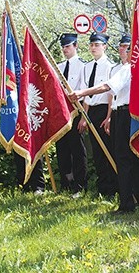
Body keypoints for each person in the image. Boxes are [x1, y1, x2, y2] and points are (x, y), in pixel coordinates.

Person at [68, 35, 139, 213]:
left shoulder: (128, 68)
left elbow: (107, 86)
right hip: (132, 114)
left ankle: (127, 204)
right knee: (136, 158)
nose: (125, 51)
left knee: (122, 159)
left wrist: (83, 92)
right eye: (124, 48)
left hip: (125, 114)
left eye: (128, 49)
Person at [79, 32, 118, 198]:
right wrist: (84, 116)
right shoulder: (87, 67)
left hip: (105, 110)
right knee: (96, 151)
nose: (93, 48)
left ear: (105, 46)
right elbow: (87, 94)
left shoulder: (110, 66)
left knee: (108, 148)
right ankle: (102, 187)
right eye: (92, 45)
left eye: (97, 45)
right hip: (92, 110)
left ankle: (112, 187)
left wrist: (109, 116)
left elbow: (111, 93)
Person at [56, 33, 88, 195]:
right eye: (63, 47)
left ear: (75, 46)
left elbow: (84, 92)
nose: (65, 50)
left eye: (68, 46)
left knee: (77, 149)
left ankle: (80, 185)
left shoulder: (83, 66)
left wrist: (83, 116)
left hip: (76, 111)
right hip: (61, 113)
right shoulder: (59, 67)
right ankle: (66, 182)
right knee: (62, 149)